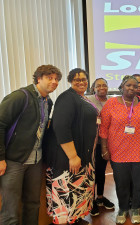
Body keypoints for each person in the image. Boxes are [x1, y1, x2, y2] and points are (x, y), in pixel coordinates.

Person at [0, 65, 62, 225]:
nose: (54, 82)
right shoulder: (20, 97)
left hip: (35, 161)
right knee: (11, 209)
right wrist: (0, 158)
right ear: (38, 78)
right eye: (50, 77)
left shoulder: (49, 101)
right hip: (14, 161)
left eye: (56, 79)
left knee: (33, 204)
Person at [45, 68, 97, 224]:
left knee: (78, 191)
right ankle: (65, 221)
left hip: (83, 154)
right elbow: (61, 127)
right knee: (66, 191)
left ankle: (75, 219)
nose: (81, 82)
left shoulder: (82, 98)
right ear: (70, 81)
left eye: (83, 79)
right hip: (67, 157)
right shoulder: (66, 98)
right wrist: (73, 156)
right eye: (76, 79)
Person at [99, 75, 140, 224]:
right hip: (118, 150)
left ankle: (135, 208)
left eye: (135, 86)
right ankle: (122, 208)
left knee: (139, 182)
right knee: (121, 182)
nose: (132, 88)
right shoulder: (111, 103)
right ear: (122, 85)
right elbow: (103, 127)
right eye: (128, 85)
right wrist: (104, 148)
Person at [87, 78, 115, 217]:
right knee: (91, 172)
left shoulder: (112, 101)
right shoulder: (88, 100)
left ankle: (100, 198)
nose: (102, 87)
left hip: (106, 143)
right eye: (99, 85)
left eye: (104, 85)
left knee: (101, 171)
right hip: (92, 143)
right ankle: (90, 201)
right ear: (94, 88)